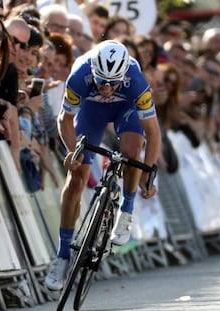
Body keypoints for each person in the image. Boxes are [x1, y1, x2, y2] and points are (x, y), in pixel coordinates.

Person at [45, 40, 161, 291]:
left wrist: (147, 173)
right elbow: (64, 120)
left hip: (125, 109)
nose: (107, 88)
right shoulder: (79, 77)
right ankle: (62, 255)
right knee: (76, 180)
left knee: (132, 151)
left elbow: (153, 133)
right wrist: (72, 151)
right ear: (93, 73)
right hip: (91, 111)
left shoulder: (136, 81)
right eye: (102, 82)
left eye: (113, 83)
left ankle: (126, 210)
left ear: (123, 76)